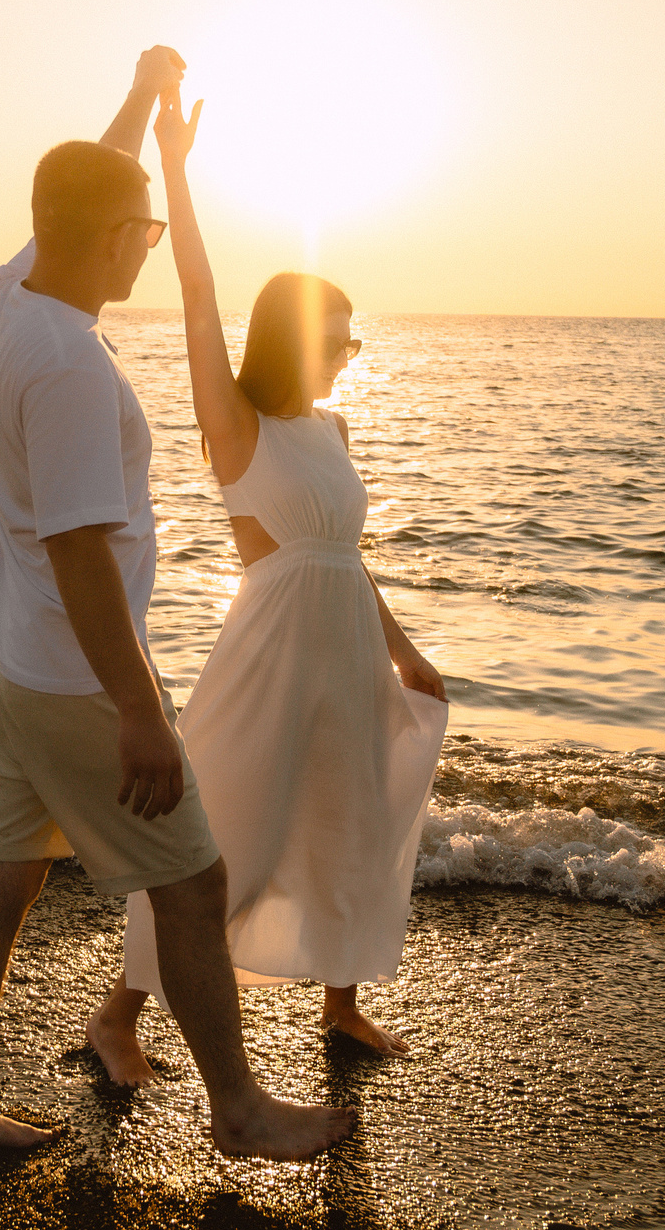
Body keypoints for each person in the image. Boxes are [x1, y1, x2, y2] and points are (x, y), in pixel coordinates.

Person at [0, 46, 356, 1164]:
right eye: (146, 230)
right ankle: (239, 1109)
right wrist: (137, 708)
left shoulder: (5, 297)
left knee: (4, 877)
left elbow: (88, 181)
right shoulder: (68, 364)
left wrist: (139, 105)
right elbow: (78, 551)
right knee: (192, 880)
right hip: (75, 677)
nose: (147, 247)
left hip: (10, 654)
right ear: (115, 236)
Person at [85, 81, 451, 1086]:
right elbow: (199, 298)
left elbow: (345, 557)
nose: (351, 352)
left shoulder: (330, 433)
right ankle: (115, 1019)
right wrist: (176, 162)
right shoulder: (239, 426)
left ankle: (341, 1007)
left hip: (344, 651)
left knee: (352, 816)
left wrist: (403, 650)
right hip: (273, 654)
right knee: (233, 836)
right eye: (340, 337)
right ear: (297, 340)